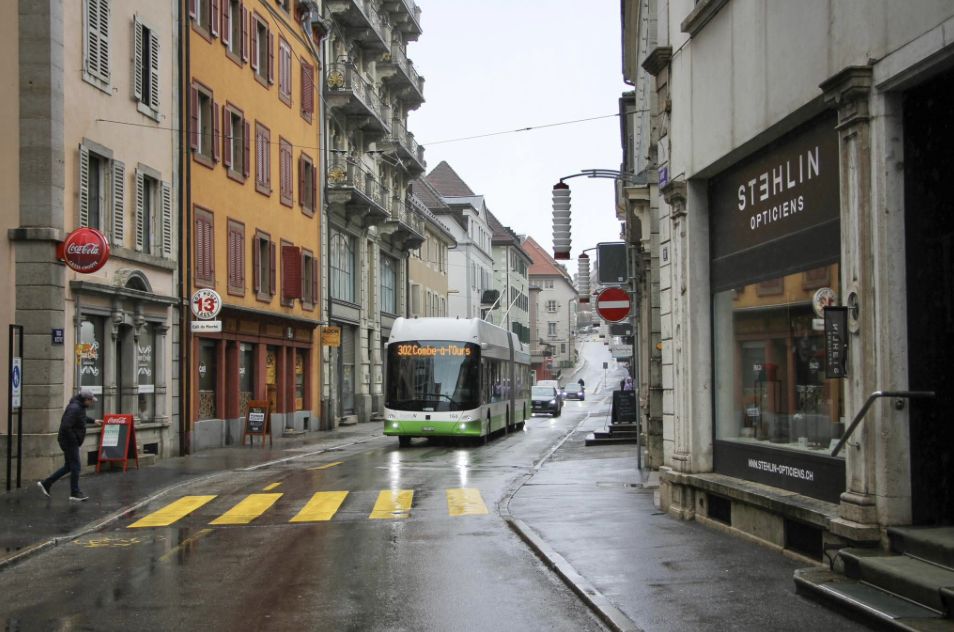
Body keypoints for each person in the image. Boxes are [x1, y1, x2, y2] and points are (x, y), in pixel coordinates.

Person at [38, 389, 101, 501]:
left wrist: (93, 420)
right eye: (91, 401)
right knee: (76, 466)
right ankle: (75, 493)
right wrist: (74, 439)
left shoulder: (78, 407)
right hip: (69, 442)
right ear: (86, 400)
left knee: (69, 466)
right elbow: (66, 426)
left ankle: (47, 483)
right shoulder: (75, 408)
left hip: (68, 441)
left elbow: (81, 418)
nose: (91, 403)